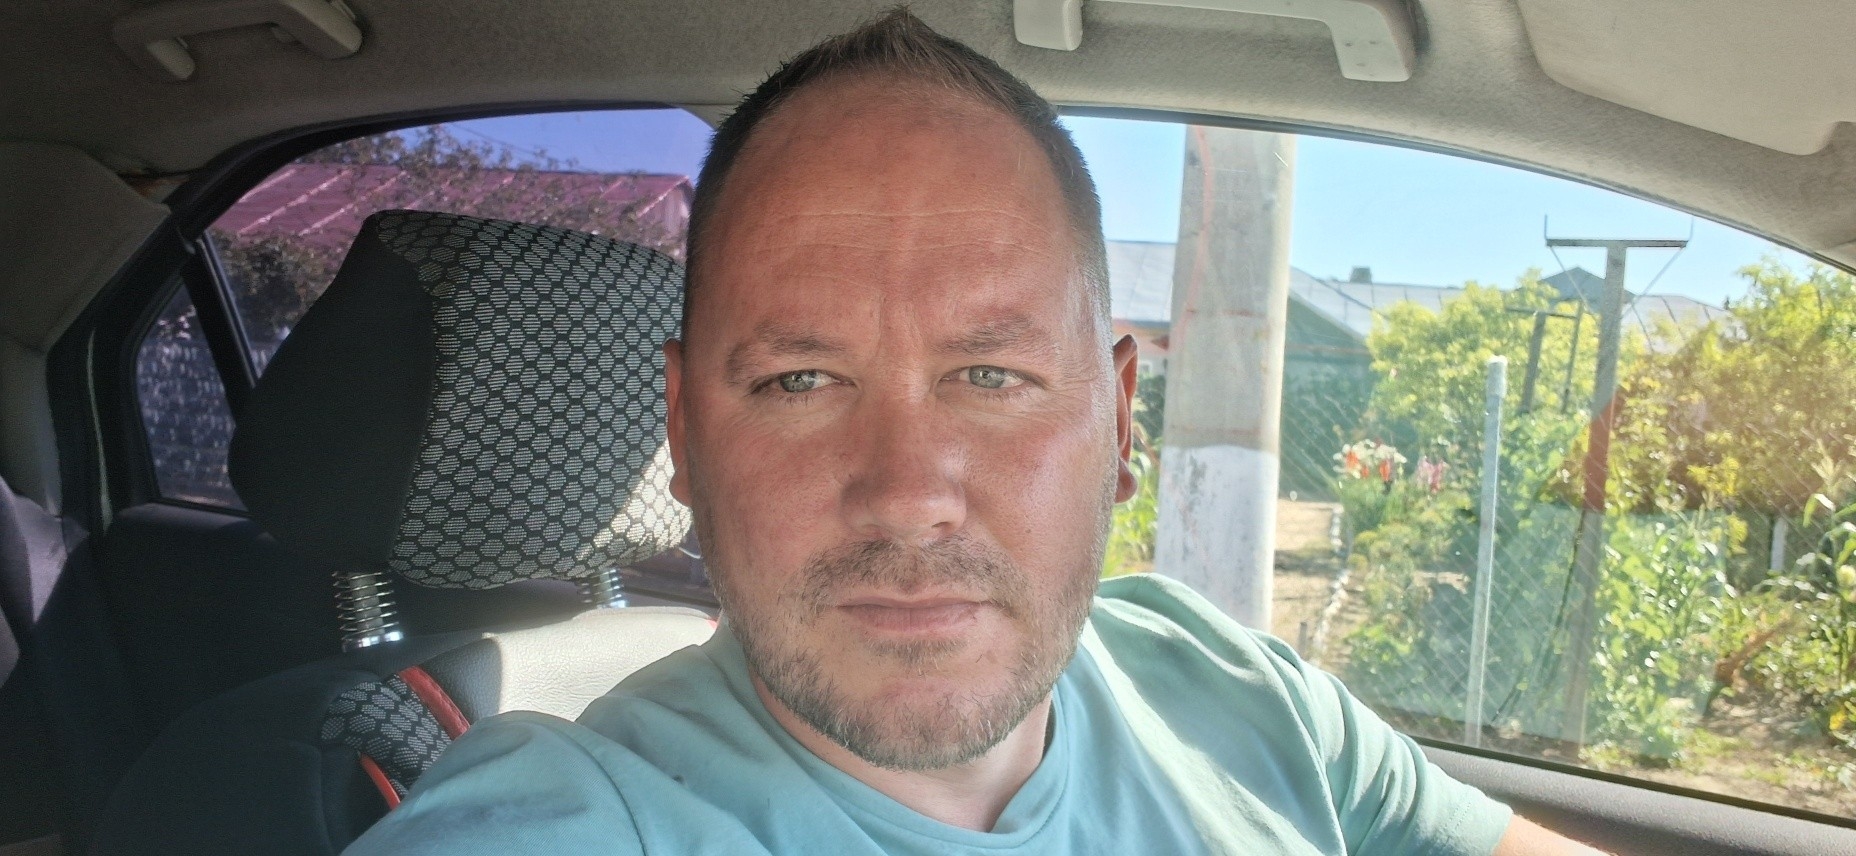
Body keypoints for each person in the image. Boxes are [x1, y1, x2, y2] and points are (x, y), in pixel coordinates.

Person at [347, 10, 1602, 854]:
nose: (906, 491)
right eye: (798, 380)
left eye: (990, 374)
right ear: (680, 432)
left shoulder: (1228, 686)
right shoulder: (568, 816)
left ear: (1119, 418)